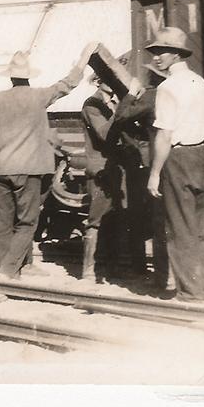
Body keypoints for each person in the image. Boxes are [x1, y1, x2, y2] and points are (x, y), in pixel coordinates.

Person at [0, 44, 96, 281]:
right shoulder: (40, 96)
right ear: (28, 76)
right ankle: (8, 270)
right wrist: (84, 56)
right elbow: (68, 84)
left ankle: (6, 271)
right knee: (27, 222)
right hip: (30, 169)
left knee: (3, 224)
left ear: (11, 77)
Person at [146, 27, 204, 302]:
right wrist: (202, 161)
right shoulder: (202, 84)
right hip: (200, 155)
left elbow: (164, 134)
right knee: (198, 227)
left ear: (176, 54)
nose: (156, 57)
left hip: (178, 157)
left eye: (161, 51)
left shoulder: (167, 87)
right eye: (154, 52)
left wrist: (154, 174)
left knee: (179, 228)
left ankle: (191, 293)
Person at [113, 64, 172, 289]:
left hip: (152, 164)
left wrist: (130, 94)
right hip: (176, 161)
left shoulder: (153, 96)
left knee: (149, 219)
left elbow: (121, 117)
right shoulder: (179, 92)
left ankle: (158, 277)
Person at [81, 76, 127, 281]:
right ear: (99, 81)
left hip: (115, 168)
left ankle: (113, 268)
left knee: (115, 219)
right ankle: (88, 270)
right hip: (100, 169)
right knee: (96, 219)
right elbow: (104, 133)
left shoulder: (114, 102)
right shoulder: (92, 104)